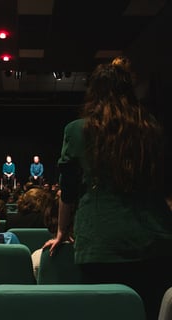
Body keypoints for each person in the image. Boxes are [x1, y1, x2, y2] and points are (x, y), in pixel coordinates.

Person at [43, 57, 172, 320]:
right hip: (155, 240)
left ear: (94, 92)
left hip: (100, 243)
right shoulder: (152, 129)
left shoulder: (77, 130)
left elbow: (68, 190)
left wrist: (61, 231)